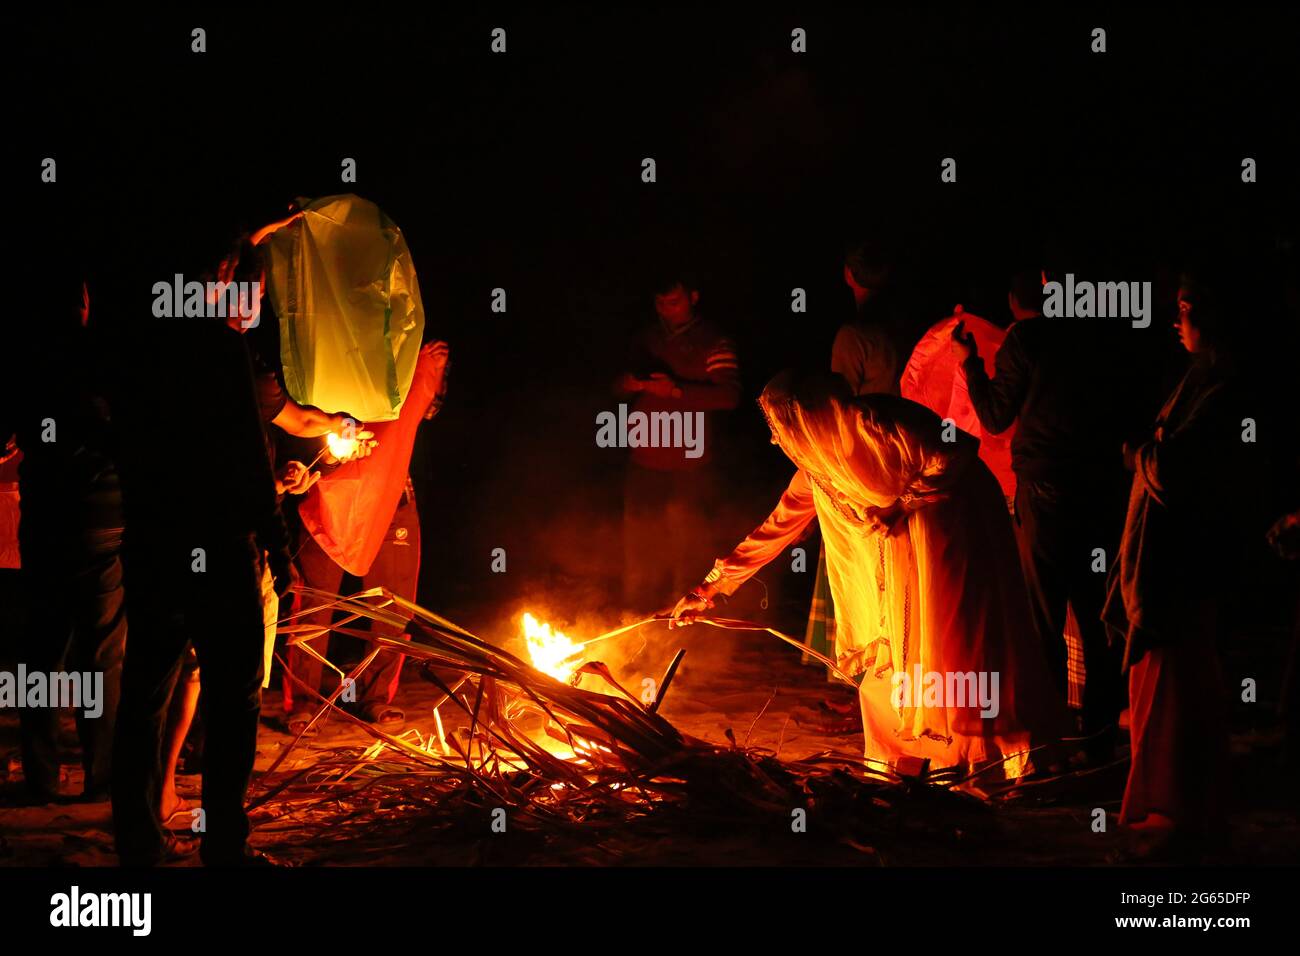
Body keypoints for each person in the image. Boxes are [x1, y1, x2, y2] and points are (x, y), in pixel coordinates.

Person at [669, 371, 1068, 779]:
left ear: (813, 412)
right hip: (894, 558)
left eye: (786, 422)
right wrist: (709, 588)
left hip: (952, 529)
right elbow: (776, 527)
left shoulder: (877, 422)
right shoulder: (817, 470)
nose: (782, 437)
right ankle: (912, 760)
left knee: (955, 638)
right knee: (896, 649)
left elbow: (957, 451)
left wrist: (902, 504)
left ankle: (993, 759)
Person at [107, 244, 293, 866]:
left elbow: (125, 445)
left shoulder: (135, 349)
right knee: (234, 694)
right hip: (216, 544)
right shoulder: (217, 349)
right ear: (215, 280)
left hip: (155, 542)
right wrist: (275, 538)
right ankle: (223, 843)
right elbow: (244, 451)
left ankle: (135, 836)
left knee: (146, 688)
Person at [954, 268, 1134, 762]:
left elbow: (994, 417)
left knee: (1043, 615)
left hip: (1047, 491)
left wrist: (970, 364)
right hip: (1099, 490)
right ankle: (1098, 738)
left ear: (1013, 302)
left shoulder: (1025, 340)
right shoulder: (1097, 337)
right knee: (1096, 614)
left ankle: (1049, 740)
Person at [1102, 270, 1251, 859]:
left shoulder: (1222, 394)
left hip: (1180, 568)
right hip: (1167, 563)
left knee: (1176, 687)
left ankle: (1175, 812)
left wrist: (1139, 453)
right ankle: (1171, 807)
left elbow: (1181, 473)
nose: (1175, 320)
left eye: (1186, 308)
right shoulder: (1197, 382)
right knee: (1157, 686)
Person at [2, 269, 124, 804]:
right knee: (101, 653)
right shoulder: (107, 356)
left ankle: (43, 778)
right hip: (103, 518)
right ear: (85, 302)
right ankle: (101, 775)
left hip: (47, 518)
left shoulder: (25, 364)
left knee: (44, 648)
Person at [616, 269, 740, 609]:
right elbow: (616, 385)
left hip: (690, 463)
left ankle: (687, 620)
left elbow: (729, 396)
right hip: (644, 459)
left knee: (687, 545)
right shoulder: (647, 338)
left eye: (673, 302)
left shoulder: (714, 340)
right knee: (641, 544)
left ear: (693, 297)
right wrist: (629, 384)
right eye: (660, 302)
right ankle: (637, 618)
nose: (665, 309)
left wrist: (675, 390)